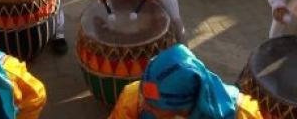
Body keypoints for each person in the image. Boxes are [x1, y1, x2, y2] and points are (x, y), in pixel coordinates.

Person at [109, 44, 263, 118]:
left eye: (153, 105)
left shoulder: (244, 114)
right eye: (144, 97)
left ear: (182, 104)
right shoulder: (134, 98)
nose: (143, 104)